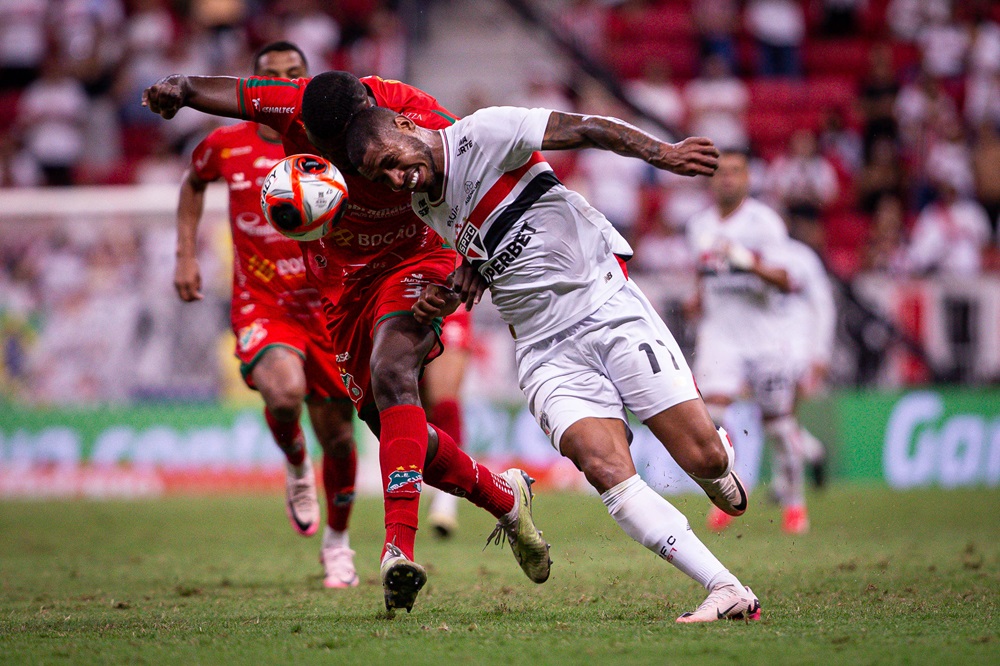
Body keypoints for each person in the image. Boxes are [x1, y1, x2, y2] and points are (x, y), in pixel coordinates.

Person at [144, 71, 551, 614]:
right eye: (320, 145)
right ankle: (503, 497)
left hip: (417, 258)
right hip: (344, 284)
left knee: (392, 372)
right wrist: (181, 90)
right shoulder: (294, 106)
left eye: (340, 147)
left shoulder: (419, 116)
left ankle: (395, 551)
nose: (333, 157)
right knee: (395, 430)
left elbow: (481, 173)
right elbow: (230, 94)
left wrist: (472, 262)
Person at [342, 104, 761, 623]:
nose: (393, 176)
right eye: (379, 175)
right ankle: (725, 587)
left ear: (405, 127)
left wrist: (664, 154)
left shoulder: (484, 133)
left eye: (389, 160)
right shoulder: (426, 204)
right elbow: (482, 261)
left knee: (701, 460)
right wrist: (451, 292)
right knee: (605, 469)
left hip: (606, 306)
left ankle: (717, 460)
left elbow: (584, 127)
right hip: (544, 350)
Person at [174, 42, 359, 589]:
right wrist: (185, 253)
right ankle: (296, 465)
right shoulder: (224, 145)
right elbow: (193, 183)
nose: (285, 84)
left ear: (308, 82)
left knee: (343, 441)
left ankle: (339, 544)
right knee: (283, 393)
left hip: (328, 307)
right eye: (272, 77)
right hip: (265, 302)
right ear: (254, 88)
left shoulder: (334, 145)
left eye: (295, 75)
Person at [685, 150, 811, 534]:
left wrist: (748, 262)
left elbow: (786, 280)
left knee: (778, 424)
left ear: (747, 179)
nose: (727, 179)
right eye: (721, 172)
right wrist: (698, 298)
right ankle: (729, 496)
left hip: (764, 338)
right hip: (720, 336)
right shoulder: (698, 225)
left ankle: (794, 503)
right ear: (711, 180)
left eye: (736, 171)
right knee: (713, 420)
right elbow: (704, 273)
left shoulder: (764, 223)